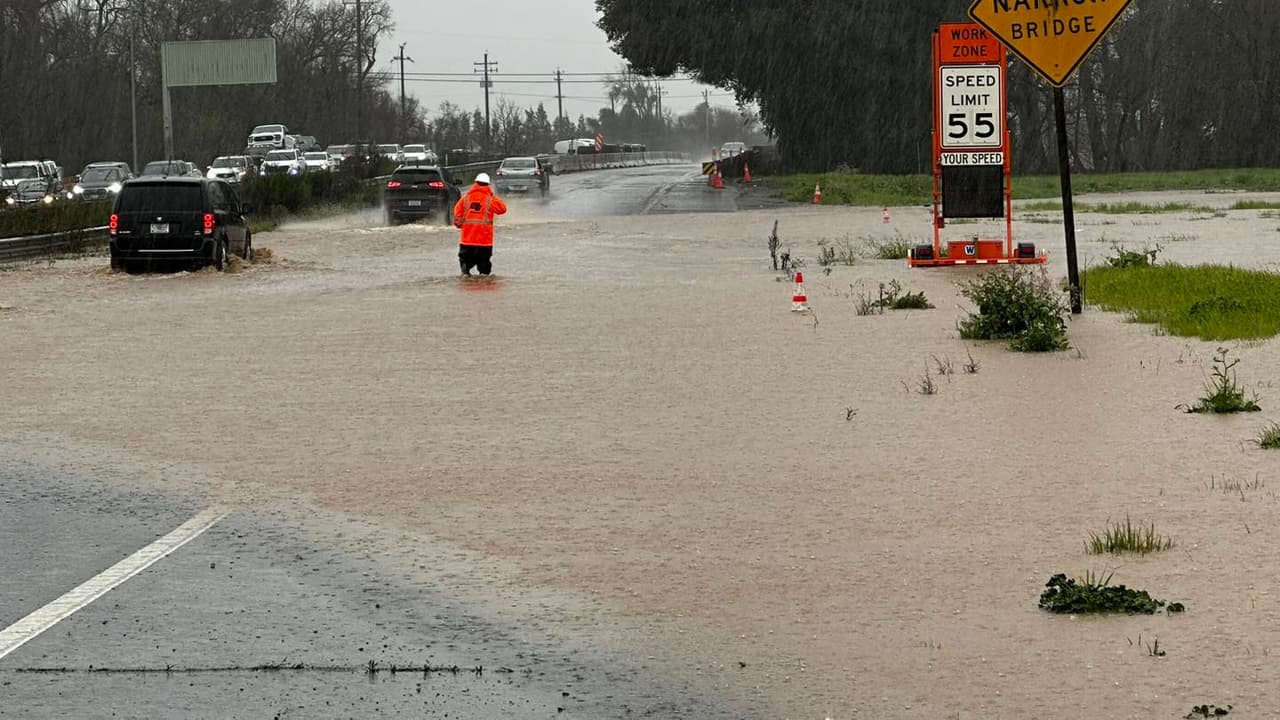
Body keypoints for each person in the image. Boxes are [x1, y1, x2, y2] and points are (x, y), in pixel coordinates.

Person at [453, 172, 507, 276]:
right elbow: (502, 209)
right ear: (488, 184)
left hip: (467, 240)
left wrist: (460, 225)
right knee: (484, 271)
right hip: (484, 241)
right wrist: (492, 195)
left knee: (465, 267)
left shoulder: (465, 198)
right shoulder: (491, 199)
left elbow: (457, 215)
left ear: (475, 183)